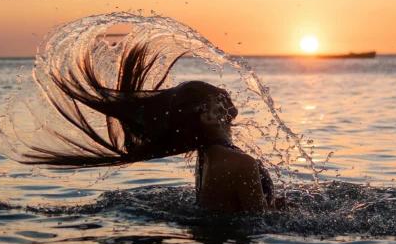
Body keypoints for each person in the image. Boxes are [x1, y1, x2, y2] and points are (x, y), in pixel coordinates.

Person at [20, 39, 275, 214]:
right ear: (207, 117)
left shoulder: (207, 157)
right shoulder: (238, 163)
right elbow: (259, 226)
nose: (223, 92)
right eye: (215, 95)